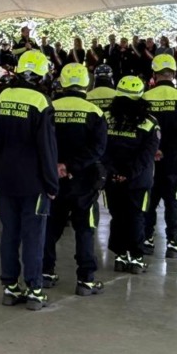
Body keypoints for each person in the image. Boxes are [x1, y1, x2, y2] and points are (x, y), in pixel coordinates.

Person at [0, 49, 61, 310]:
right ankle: (34, 289)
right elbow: (47, 147)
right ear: (41, 75)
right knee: (33, 236)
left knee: (9, 233)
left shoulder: (3, 96)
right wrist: (52, 183)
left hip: (4, 177)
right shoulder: (41, 102)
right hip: (33, 181)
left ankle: (10, 287)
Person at [46, 63, 107, 296]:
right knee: (84, 230)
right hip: (84, 182)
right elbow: (98, 149)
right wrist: (71, 166)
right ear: (86, 84)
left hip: (53, 179)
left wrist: (57, 166)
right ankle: (85, 279)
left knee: (50, 227)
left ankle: (45, 272)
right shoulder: (95, 112)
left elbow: (41, 142)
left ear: (61, 83)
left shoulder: (49, 108)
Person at [104, 76, 160, 273]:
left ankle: (120, 256)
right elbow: (147, 155)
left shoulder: (106, 118)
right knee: (136, 216)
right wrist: (128, 173)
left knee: (117, 215)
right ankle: (136, 258)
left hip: (111, 179)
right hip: (138, 180)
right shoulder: (149, 122)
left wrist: (114, 172)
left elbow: (102, 149)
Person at [142, 54, 177, 258]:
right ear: (173, 74)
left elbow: (138, 130)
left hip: (149, 162)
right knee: (174, 203)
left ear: (154, 74)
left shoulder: (144, 99)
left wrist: (154, 149)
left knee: (148, 201)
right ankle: (173, 243)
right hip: (176, 162)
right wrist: (168, 149)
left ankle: (147, 240)